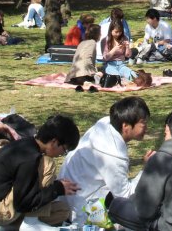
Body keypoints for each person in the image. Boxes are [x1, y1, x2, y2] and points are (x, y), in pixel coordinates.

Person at [0, 115, 81, 230]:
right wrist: (57, 188)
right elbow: (23, 203)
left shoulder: (26, 145)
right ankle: (30, 223)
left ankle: (10, 227)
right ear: (54, 142)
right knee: (48, 164)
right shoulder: (29, 158)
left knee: (62, 211)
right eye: (64, 150)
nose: (61, 154)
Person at [60, 97, 151, 226]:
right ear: (125, 126)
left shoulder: (105, 124)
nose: (146, 127)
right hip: (81, 208)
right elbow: (125, 195)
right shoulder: (113, 156)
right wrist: (146, 169)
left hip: (67, 194)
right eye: (143, 123)